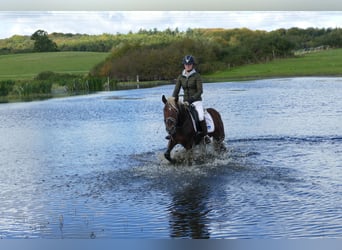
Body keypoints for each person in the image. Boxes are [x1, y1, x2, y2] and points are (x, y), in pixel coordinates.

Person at [166, 55, 211, 144]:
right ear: (184, 65)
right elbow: (176, 91)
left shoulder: (197, 76)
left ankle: (205, 136)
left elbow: (200, 91)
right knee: (175, 114)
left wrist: (191, 100)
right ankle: (172, 134)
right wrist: (172, 101)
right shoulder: (180, 77)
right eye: (186, 64)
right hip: (184, 101)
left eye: (189, 64)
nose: (187, 66)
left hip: (196, 101)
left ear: (192, 65)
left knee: (201, 116)